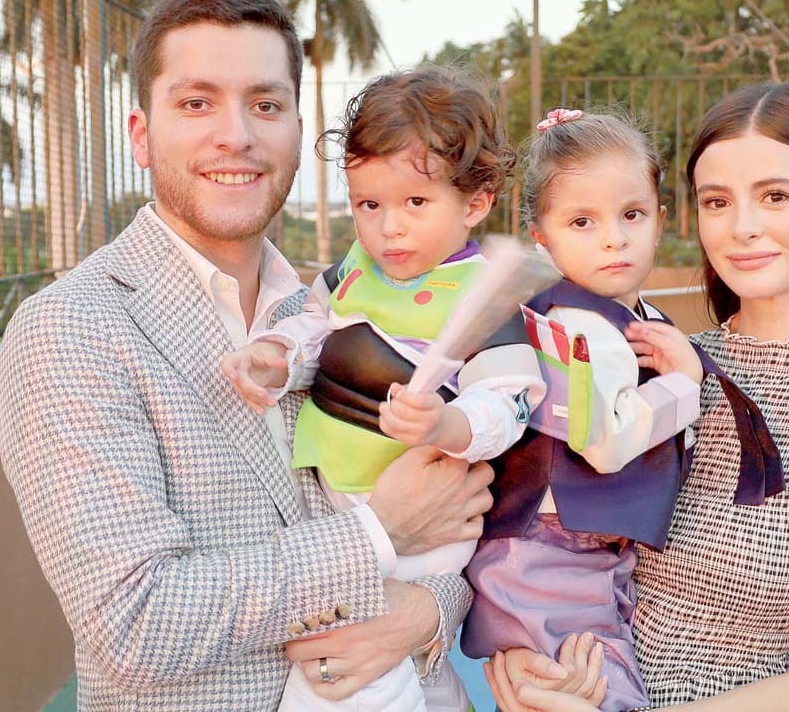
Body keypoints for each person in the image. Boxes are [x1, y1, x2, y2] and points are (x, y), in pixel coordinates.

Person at [0, 0, 491, 712]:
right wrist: (376, 531)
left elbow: (456, 518)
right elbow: (136, 621)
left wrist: (426, 610)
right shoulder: (71, 327)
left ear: (296, 129)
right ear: (141, 133)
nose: (237, 135)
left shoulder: (328, 310)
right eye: (197, 103)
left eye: (265, 104)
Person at [485, 83, 789, 712]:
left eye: (776, 196)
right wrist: (517, 647)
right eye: (717, 201)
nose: (743, 227)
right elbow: (515, 518)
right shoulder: (650, 354)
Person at [220, 67, 547, 712]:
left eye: (415, 204)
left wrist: (448, 427)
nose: (389, 227)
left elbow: (511, 397)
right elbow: (318, 334)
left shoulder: (485, 297)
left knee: (353, 672)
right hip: (346, 507)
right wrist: (277, 358)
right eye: (370, 205)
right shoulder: (350, 273)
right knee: (374, 666)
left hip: (433, 515)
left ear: (474, 203)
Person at [461, 110, 780, 712]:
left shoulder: (643, 322)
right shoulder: (575, 329)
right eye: (583, 221)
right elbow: (606, 442)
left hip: (589, 552)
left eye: (631, 214)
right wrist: (684, 383)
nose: (614, 238)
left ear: (661, 220)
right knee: (601, 692)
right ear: (541, 234)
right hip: (546, 550)